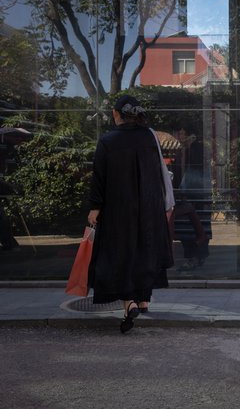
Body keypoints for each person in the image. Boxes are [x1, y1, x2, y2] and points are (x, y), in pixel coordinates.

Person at [87, 95, 174, 333]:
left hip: (119, 209)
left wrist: (95, 207)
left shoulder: (108, 140)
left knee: (120, 253)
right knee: (146, 250)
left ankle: (130, 303)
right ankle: (144, 299)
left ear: (117, 114)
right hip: (149, 206)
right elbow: (159, 171)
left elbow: (99, 177)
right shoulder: (149, 137)